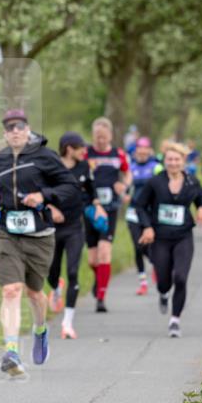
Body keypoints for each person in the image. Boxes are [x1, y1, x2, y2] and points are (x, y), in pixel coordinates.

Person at [0, 109, 79, 376]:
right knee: (11, 290)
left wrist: (44, 195)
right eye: (9, 127)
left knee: (34, 293)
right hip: (8, 234)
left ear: (28, 129)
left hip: (39, 236)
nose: (15, 130)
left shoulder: (45, 156)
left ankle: (40, 328)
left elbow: (71, 187)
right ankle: (12, 351)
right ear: (5, 134)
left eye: (19, 126)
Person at [136, 140, 202, 338]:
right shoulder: (155, 182)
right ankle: (163, 293)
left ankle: (175, 320)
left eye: (177, 159)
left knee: (181, 277)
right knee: (163, 281)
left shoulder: (192, 181)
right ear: (164, 160)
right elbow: (140, 205)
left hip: (183, 236)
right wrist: (147, 227)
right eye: (170, 159)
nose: (173, 163)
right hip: (160, 237)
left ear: (183, 161)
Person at [46, 131, 101, 339]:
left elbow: (91, 190)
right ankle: (55, 287)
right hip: (52, 227)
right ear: (69, 149)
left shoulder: (84, 167)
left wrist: (98, 207)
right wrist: (51, 207)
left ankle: (67, 323)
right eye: (81, 148)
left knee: (72, 272)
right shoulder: (51, 167)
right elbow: (42, 191)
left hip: (74, 228)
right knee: (52, 272)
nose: (84, 152)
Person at [86, 117, 132, 312]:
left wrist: (125, 185)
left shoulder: (118, 154)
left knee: (105, 252)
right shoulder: (86, 153)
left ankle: (101, 298)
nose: (101, 141)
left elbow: (128, 173)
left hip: (111, 207)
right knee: (92, 259)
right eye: (97, 137)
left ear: (111, 136)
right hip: (90, 208)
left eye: (104, 137)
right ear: (93, 136)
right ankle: (99, 279)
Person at [123, 136, 162, 296]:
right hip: (133, 211)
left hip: (151, 212)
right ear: (136, 151)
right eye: (140, 149)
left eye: (145, 149)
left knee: (151, 244)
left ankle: (156, 265)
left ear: (149, 150)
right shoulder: (131, 167)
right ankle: (143, 282)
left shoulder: (156, 166)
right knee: (138, 246)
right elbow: (126, 188)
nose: (142, 152)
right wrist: (124, 193)